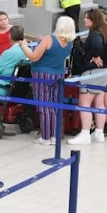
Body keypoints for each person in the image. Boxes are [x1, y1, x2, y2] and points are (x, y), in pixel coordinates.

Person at [23, 14, 76, 146]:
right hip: (58, 75)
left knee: (44, 106)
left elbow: (34, 57)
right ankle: (54, 135)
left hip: (42, 75)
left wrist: (23, 46)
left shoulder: (48, 39)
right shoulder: (69, 43)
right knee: (54, 105)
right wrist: (43, 41)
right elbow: (53, 49)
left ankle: (45, 137)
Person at [68, 7, 107, 145]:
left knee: (84, 103)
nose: (84, 20)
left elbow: (96, 46)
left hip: (92, 72)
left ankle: (85, 133)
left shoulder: (94, 34)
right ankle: (99, 133)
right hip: (104, 70)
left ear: (93, 19)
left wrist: (94, 55)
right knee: (99, 102)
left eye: (86, 18)